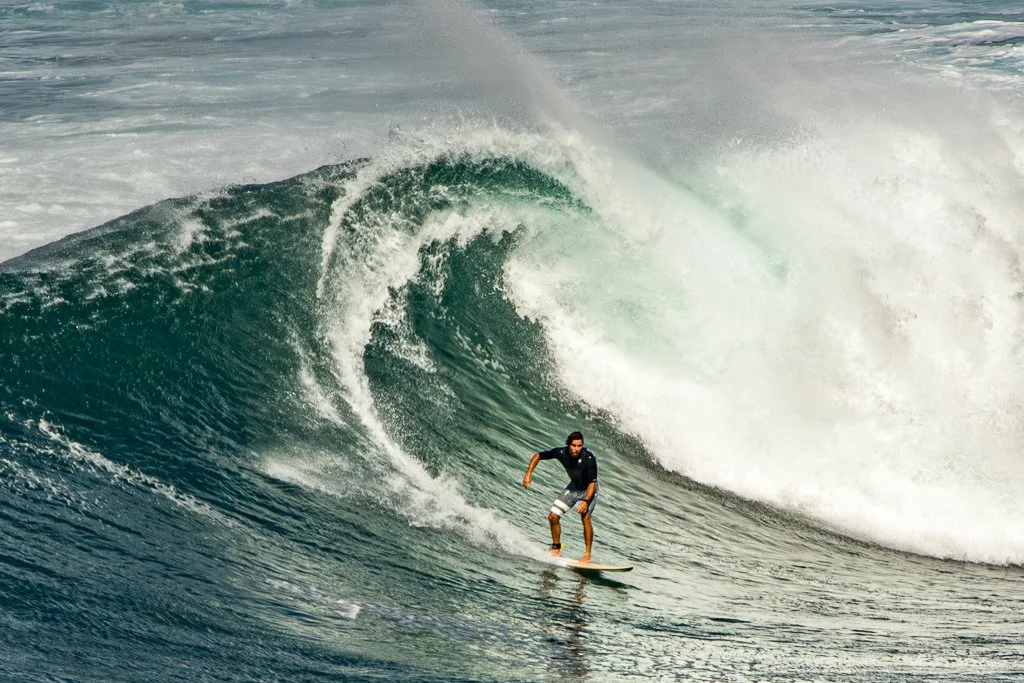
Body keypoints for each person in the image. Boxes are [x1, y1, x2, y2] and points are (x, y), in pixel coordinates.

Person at [522, 431, 599, 564]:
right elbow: (538, 455)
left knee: (585, 517)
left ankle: (587, 554)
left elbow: (592, 483)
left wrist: (586, 501)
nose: (576, 449)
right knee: (553, 516)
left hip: (589, 489)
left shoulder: (589, 458)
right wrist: (528, 473)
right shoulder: (561, 453)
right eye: (573, 445)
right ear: (567, 444)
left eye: (579, 446)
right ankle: (556, 548)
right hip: (574, 487)